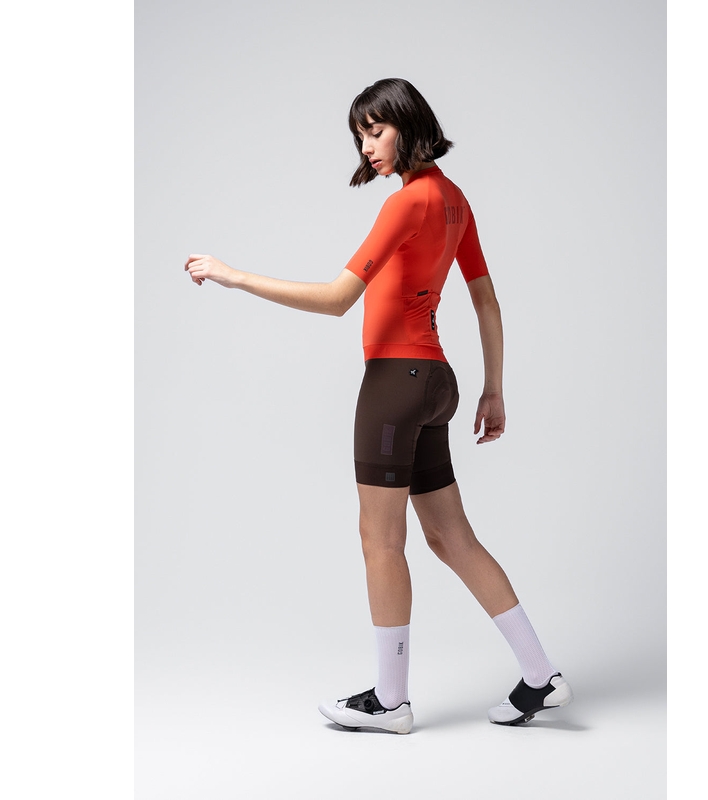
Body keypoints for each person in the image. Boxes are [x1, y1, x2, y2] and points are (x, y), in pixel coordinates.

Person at [184, 78, 572, 734]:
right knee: (451, 537)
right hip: (437, 380)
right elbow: (485, 299)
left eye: (376, 131)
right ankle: (541, 676)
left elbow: (338, 299)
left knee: (380, 539)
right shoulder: (453, 199)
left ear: (408, 125)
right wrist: (493, 388)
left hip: (395, 383)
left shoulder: (408, 202)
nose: (367, 146)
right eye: (359, 135)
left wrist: (234, 275)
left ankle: (391, 702)